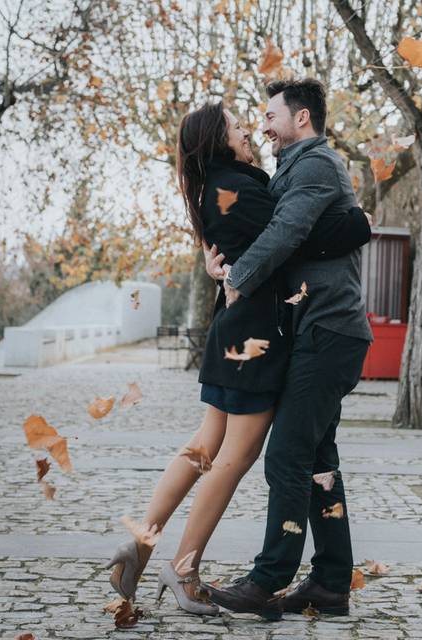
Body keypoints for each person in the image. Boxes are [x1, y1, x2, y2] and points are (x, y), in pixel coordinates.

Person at [104, 101, 371, 617]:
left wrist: (222, 272)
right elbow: (294, 235)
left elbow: (268, 239)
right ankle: (183, 569)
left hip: (235, 333)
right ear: (218, 141)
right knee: (233, 458)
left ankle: (139, 545)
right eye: (238, 126)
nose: (249, 130)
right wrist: (358, 223)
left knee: (204, 447)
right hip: (255, 339)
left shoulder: (215, 189)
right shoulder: (242, 188)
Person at [205, 78, 373, 620]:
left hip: (329, 333)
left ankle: (266, 581)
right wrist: (223, 267)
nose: (265, 124)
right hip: (319, 333)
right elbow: (277, 233)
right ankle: (329, 584)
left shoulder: (315, 166)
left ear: (301, 118)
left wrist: (239, 281)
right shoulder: (294, 168)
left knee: (286, 457)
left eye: (272, 114)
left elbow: (284, 233)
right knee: (319, 460)